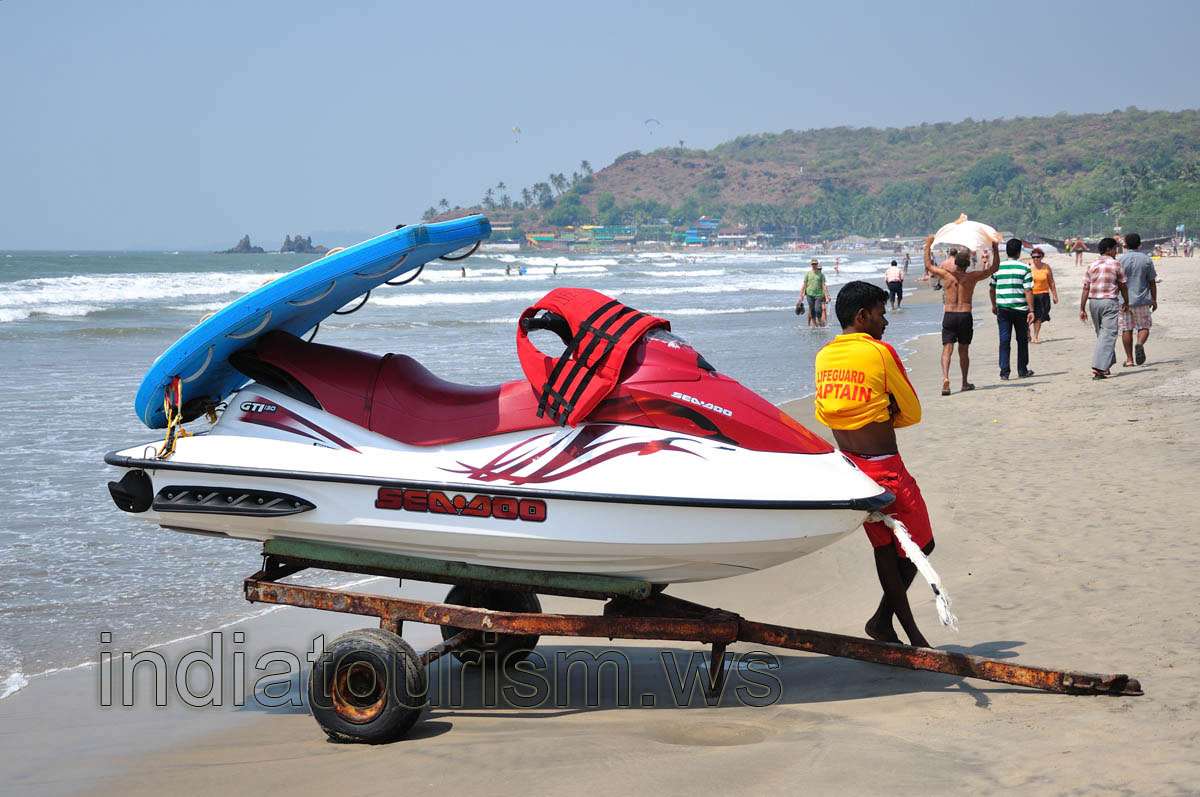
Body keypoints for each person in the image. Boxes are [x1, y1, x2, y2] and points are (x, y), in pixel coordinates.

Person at [813, 281, 934, 647]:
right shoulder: (880, 352)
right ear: (862, 315)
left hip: (850, 466)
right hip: (887, 468)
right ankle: (903, 629)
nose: (886, 322)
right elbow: (912, 412)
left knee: (884, 546)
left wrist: (866, 415)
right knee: (921, 545)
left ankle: (884, 623)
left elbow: (824, 412)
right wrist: (883, 415)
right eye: (881, 314)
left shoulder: (823, 356)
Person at [924, 236, 1000, 395]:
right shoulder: (972, 277)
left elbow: (928, 265)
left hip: (950, 315)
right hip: (965, 315)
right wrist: (994, 248)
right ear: (967, 265)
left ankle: (945, 378)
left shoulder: (946, 275)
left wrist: (928, 245)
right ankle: (964, 382)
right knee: (963, 350)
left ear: (955, 263)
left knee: (947, 348)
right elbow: (993, 268)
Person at [1079, 237, 1130, 380]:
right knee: (1108, 334)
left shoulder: (1092, 264)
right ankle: (1099, 368)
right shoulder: (1116, 264)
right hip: (1109, 302)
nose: (1116, 251)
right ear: (1109, 250)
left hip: (1093, 302)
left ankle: (1106, 364)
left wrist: (1082, 308)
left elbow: (1086, 287)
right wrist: (1126, 301)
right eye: (1115, 249)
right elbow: (1123, 285)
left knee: (1102, 334)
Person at [989, 238, 1036, 381]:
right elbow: (1028, 291)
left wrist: (994, 305)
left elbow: (992, 288)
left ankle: (1004, 372)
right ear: (1019, 251)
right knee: (1021, 340)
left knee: (1004, 340)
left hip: (1003, 308)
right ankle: (1022, 370)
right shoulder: (1024, 268)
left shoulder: (997, 267)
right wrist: (1032, 310)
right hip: (1020, 309)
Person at [1117, 233, 1158, 367]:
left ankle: (1129, 360)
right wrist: (1154, 299)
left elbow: (1117, 282)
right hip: (1142, 299)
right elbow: (1152, 282)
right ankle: (1139, 343)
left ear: (1125, 244)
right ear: (1140, 244)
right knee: (1144, 326)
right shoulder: (1146, 260)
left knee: (1126, 329)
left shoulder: (1120, 260)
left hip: (1124, 301)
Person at [1028, 248, 1058, 344]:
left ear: (1042, 257)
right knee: (1029, 316)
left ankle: (1035, 336)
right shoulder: (1028, 267)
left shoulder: (1046, 267)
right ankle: (1028, 332)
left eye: (1038, 257)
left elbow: (1051, 282)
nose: (1036, 259)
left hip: (1043, 294)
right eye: (1034, 257)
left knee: (1039, 316)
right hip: (1031, 295)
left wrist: (1054, 295)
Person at [801, 258, 829, 328]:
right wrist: (801, 294)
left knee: (818, 309)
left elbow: (824, 285)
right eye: (813, 264)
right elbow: (805, 284)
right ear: (811, 265)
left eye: (815, 264)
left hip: (819, 294)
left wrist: (827, 295)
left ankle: (820, 321)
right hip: (809, 294)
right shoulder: (808, 274)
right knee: (811, 309)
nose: (814, 265)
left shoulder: (821, 274)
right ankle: (814, 325)